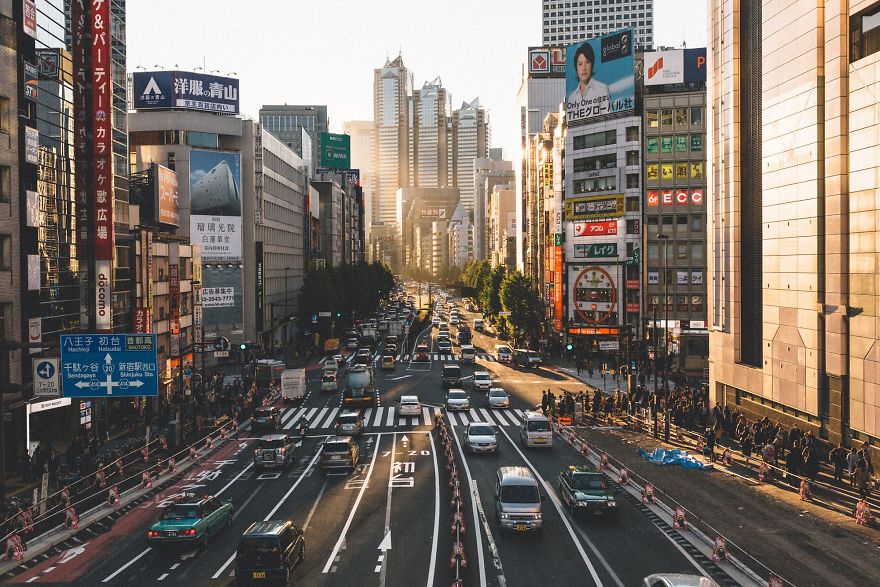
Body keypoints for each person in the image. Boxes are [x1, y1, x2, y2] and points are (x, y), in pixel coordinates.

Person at [566, 42, 611, 119]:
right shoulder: (572, 98)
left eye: (587, 62)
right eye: (580, 64)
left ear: (592, 65)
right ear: (576, 68)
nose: (584, 68)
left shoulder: (602, 89)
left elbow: (608, 118)